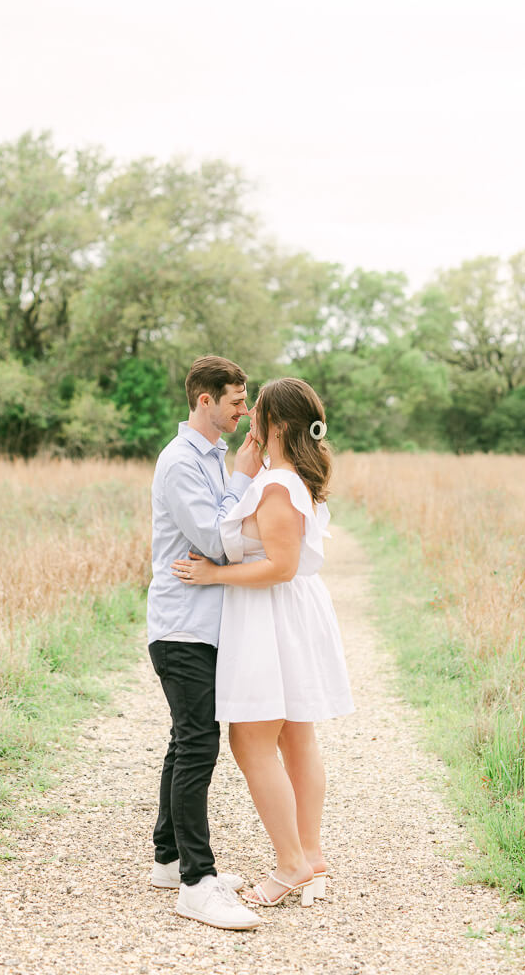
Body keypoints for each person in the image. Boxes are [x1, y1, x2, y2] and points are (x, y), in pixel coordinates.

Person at [172, 377, 354, 909]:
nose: (247, 417)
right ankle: (311, 855)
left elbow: (280, 566)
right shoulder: (285, 479)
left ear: (274, 425)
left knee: (251, 742)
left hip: (271, 618)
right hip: (285, 617)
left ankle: (292, 863)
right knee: (296, 738)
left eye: (258, 414)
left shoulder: (278, 486)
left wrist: (212, 576)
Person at [147, 355, 263, 931]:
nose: (244, 410)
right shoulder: (180, 464)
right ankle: (197, 882)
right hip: (181, 627)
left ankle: (168, 859)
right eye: (237, 400)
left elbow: (226, 531)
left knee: (184, 740)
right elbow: (218, 540)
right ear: (204, 400)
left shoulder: (212, 457)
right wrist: (242, 480)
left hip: (201, 626)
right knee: (198, 745)